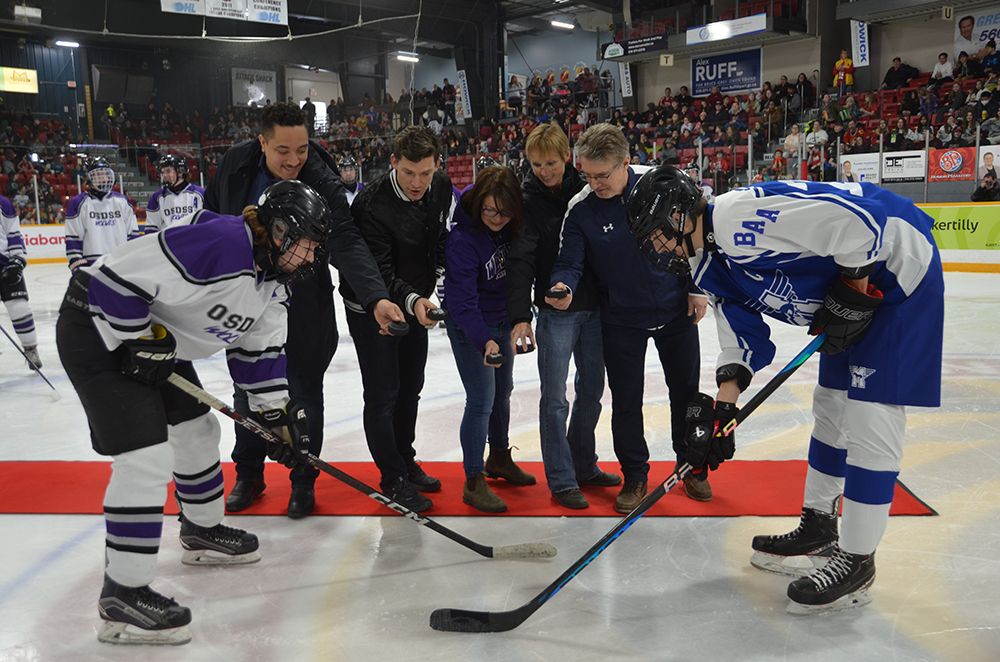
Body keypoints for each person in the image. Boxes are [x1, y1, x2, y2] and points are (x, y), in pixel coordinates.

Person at [627, 166, 943, 615]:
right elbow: (741, 337)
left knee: (871, 418)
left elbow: (856, 221)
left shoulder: (736, 218)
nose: (656, 247)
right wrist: (723, 412)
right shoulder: (704, 260)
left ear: (677, 216)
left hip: (897, 274)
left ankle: (857, 558)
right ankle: (819, 527)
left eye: (655, 233)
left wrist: (853, 289)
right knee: (831, 407)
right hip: (855, 294)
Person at [56, 179, 331, 645]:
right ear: (279, 231)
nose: (311, 256)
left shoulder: (272, 283)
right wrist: (140, 338)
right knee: (145, 458)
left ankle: (201, 531)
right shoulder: (221, 243)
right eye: (306, 243)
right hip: (98, 328)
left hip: (155, 338)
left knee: (198, 431)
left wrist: (277, 421)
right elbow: (110, 281)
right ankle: (122, 593)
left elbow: (258, 356)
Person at [204, 102, 400, 519]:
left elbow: (345, 239)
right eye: (283, 151)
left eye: (302, 149)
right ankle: (249, 474)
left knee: (306, 394)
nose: (294, 160)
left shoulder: (321, 178)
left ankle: (304, 479)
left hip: (306, 307)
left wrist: (375, 297)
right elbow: (211, 221)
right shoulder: (236, 167)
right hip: (248, 302)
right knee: (246, 389)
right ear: (262, 143)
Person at [547, 124, 706, 513]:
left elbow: (699, 238)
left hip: (676, 311)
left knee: (685, 393)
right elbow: (569, 260)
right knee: (626, 401)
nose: (594, 183)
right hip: (621, 319)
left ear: (626, 163)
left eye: (602, 175)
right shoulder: (581, 208)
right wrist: (563, 286)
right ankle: (635, 475)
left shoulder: (664, 186)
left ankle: (692, 465)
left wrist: (698, 287)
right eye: (587, 175)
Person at [339, 126, 456, 513]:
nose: (417, 182)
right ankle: (392, 478)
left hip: (414, 301)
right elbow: (379, 272)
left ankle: (405, 461)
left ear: (436, 166)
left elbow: (439, 238)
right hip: (371, 307)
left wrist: (441, 277)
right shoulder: (371, 204)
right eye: (408, 172)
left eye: (425, 173)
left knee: (411, 387)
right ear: (393, 163)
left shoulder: (441, 186)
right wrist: (414, 298)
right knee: (383, 393)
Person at [507, 122, 618, 510]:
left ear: (567, 157)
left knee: (592, 390)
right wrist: (521, 314)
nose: (544, 171)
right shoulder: (526, 201)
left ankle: (583, 464)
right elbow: (520, 259)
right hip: (555, 312)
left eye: (551, 163)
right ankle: (561, 478)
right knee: (554, 397)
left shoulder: (589, 187)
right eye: (536, 164)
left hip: (595, 308)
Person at [443, 166, 534, 512]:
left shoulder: (514, 229)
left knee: (503, 392)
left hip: (502, 320)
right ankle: (473, 480)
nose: (497, 218)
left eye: (504, 212)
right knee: (481, 399)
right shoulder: (462, 241)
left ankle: (498, 456)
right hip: (471, 325)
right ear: (479, 203)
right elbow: (462, 302)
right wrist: (484, 341)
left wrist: (517, 319)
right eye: (489, 210)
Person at [65, 157, 141, 272]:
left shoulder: (123, 201)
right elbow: (73, 236)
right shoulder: (77, 203)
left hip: (121, 262)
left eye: (105, 174)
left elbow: (133, 234)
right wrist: (76, 263)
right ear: (89, 179)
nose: (103, 178)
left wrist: (133, 258)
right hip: (92, 264)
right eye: (98, 175)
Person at [0, 194, 40, 367]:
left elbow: (13, 232)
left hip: (5, 263)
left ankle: (31, 349)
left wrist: (18, 259)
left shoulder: (3, 203)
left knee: (20, 308)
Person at [144, 155, 205, 233]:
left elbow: (209, 223)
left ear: (180, 172)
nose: (164, 175)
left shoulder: (200, 194)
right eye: (162, 172)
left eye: (168, 171)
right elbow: (151, 228)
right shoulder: (156, 198)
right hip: (168, 240)